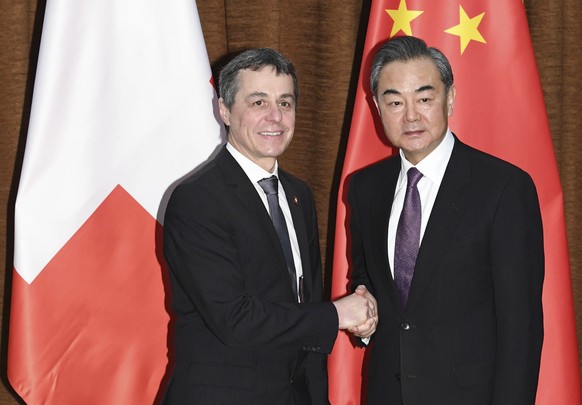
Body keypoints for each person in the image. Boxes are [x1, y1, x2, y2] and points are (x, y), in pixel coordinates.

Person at [163, 48, 377, 405]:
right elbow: (234, 318)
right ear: (225, 110)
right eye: (258, 103)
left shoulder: (298, 194)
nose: (275, 117)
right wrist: (337, 314)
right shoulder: (197, 199)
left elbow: (300, 303)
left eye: (285, 103)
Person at [347, 36, 544, 404]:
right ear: (376, 106)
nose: (410, 116)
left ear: (449, 97)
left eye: (424, 98)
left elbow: (522, 330)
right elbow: (365, 279)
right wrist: (365, 311)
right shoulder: (364, 188)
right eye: (394, 102)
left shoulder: (503, 188)